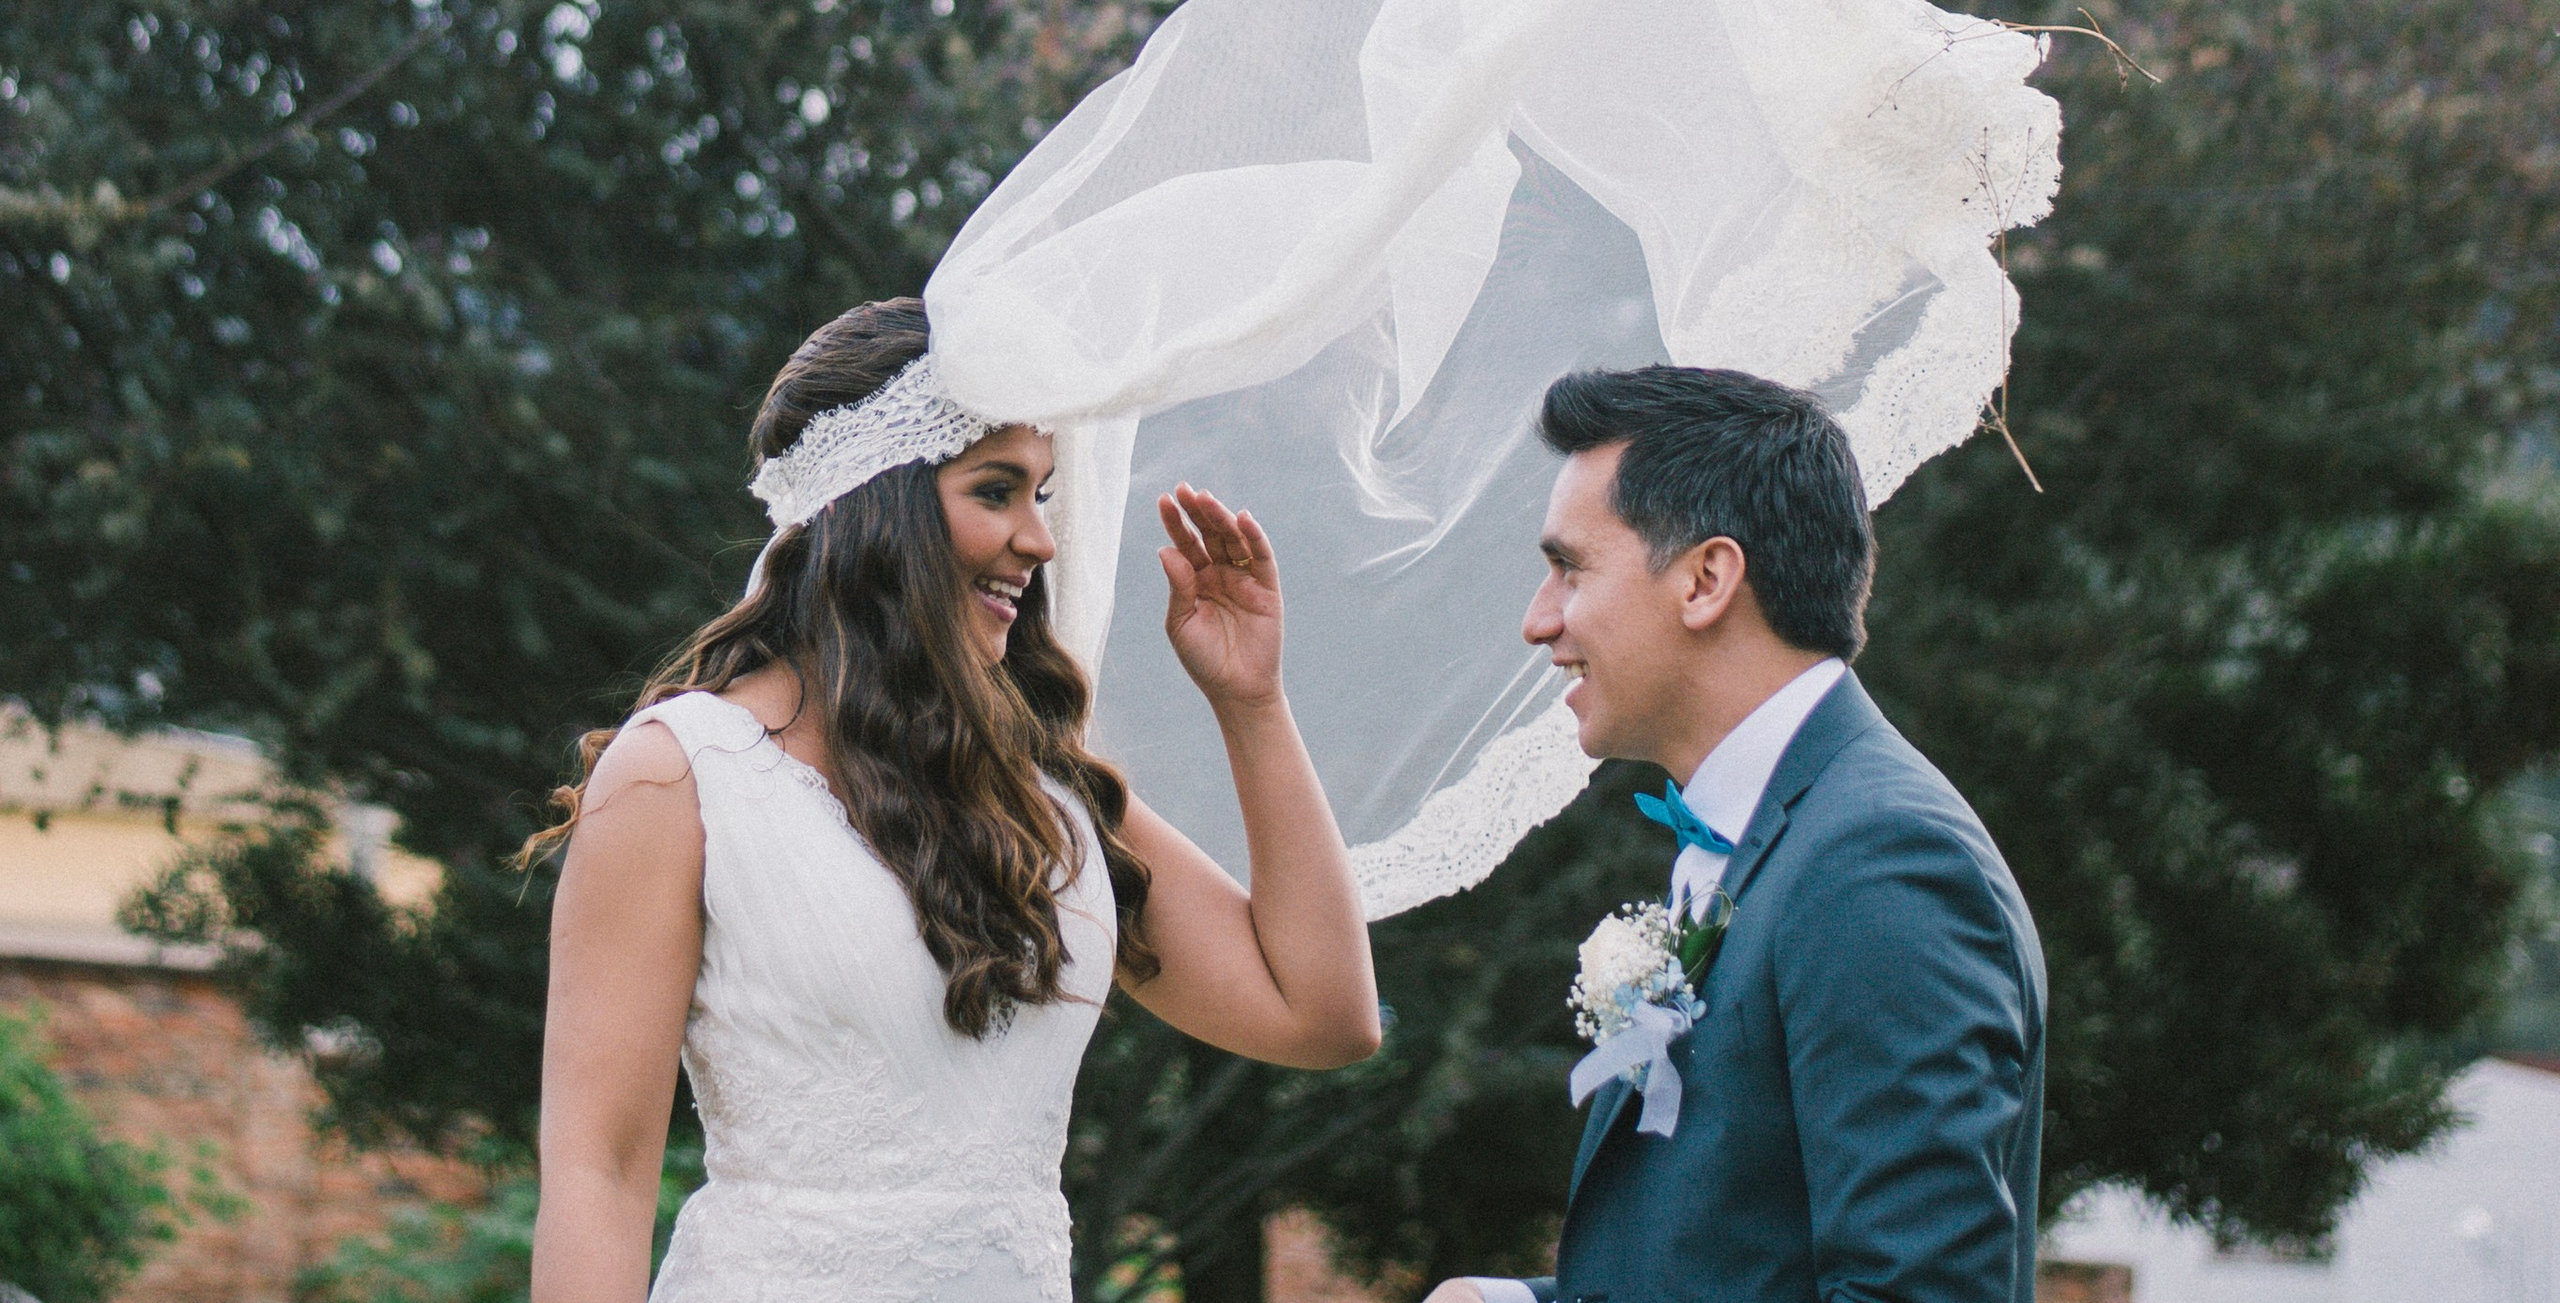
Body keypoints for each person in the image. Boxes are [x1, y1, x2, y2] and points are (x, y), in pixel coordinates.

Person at [525, 297, 1381, 1303]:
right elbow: (600, 1171)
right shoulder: (681, 771)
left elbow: (1322, 1016)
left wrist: (1251, 702)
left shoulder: (1040, 791)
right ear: (874, 499)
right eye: (997, 490)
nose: (1040, 538)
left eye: (1044, 494)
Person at [1434, 364, 2045, 1303]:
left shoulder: (1882, 865)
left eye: (1570, 567)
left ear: (1707, 579)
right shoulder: (1763, 842)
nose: (1538, 620)